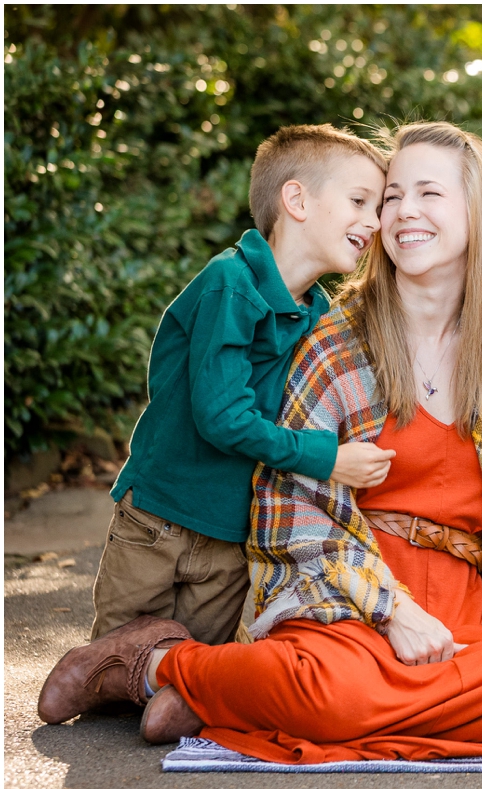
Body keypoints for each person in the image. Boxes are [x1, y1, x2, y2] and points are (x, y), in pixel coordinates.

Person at [38, 121, 482, 763]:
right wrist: (392, 611)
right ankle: (156, 662)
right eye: (392, 196)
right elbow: (289, 503)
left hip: (461, 615)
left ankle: (227, 694)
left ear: (478, 210)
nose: (404, 211)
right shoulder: (334, 339)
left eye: (428, 194)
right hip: (344, 597)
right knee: (330, 687)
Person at [64, 124, 397, 655]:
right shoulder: (231, 283)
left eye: (377, 207)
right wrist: (325, 458)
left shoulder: (316, 313)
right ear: (296, 200)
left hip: (230, 538)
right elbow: (221, 416)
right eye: (360, 201)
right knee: (112, 662)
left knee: (189, 670)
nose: (375, 221)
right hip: (160, 518)